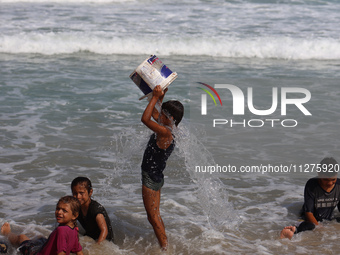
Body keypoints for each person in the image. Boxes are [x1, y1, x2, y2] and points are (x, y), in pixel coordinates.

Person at [141, 85, 184, 250]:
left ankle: (165, 248)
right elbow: (155, 114)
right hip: (157, 176)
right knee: (155, 215)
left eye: (164, 115)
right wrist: (160, 97)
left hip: (150, 179)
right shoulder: (170, 128)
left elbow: (145, 119)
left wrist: (153, 98)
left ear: (170, 117)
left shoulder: (165, 133)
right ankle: (164, 245)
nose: (160, 116)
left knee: (153, 217)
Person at [280, 157, 340, 239]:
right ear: (319, 174)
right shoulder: (312, 185)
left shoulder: (339, 186)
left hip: (327, 219)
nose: (330, 183)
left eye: (333, 179)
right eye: (325, 179)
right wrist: (320, 228)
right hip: (308, 219)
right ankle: (291, 232)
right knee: (310, 226)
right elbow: (308, 213)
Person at [1, 196, 83, 255]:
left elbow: (61, 253)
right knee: (37, 240)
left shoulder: (61, 230)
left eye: (64, 210)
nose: (59, 212)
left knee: (21, 238)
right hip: (42, 249)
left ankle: (7, 234)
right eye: (58, 208)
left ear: (74, 216)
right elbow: (79, 251)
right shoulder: (75, 230)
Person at [71, 177, 114, 244]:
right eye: (75, 193)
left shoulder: (95, 209)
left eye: (81, 193)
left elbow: (104, 230)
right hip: (90, 237)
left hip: (105, 241)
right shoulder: (76, 207)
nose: (78, 196)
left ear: (90, 192)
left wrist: (96, 247)